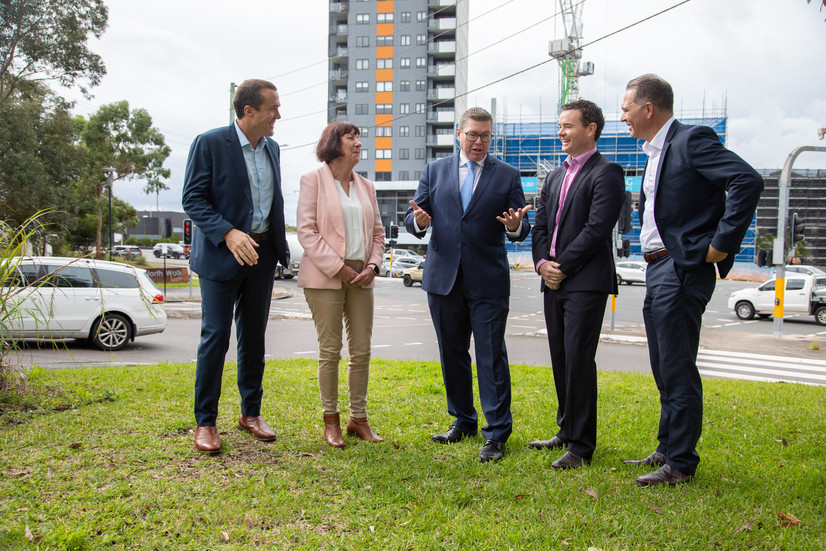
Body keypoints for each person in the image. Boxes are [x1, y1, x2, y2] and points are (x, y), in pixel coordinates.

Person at [619, 74, 763, 486]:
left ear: (648, 108)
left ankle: (680, 464)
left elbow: (747, 180)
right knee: (663, 365)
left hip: (681, 268)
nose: (623, 117)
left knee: (678, 366)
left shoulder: (691, 140)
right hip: (657, 268)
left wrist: (720, 244)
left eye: (626, 109)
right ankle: (666, 447)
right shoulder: (654, 152)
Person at [404, 107, 532, 463]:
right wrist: (418, 221)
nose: (479, 142)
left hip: (487, 280)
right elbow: (414, 215)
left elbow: (520, 225)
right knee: (452, 354)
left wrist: (513, 226)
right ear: (458, 133)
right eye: (473, 134)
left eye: (486, 136)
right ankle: (463, 420)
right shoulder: (435, 170)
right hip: (443, 278)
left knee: (491, 357)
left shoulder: (506, 175)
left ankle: (497, 433)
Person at [182, 79, 289, 454]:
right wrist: (228, 233)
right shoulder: (210, 143)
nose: (278, 115)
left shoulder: (273, 148)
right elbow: (192, 199)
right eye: (272, 108)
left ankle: (250, 414)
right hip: (220, 255)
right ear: (248, 111)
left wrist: (278, 247)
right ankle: (205, 422)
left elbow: (271, 202)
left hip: (261, 255)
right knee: (216, 336)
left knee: (255, 336)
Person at [529, 99, 625, 469]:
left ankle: (581, 446)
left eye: (568, 126)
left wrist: (562, 266)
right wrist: (541, 265)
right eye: (560, 126)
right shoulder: (554, 176)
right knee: (560, 357)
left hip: (585, 281)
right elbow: (540, 226)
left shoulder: (607, 172)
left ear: (591, 129)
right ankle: (566, 429)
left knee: (579, 360)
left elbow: (597, 229)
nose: (561, 132)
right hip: (551, 280)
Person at [296, 121, 385, 448]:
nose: (358, 143)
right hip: (325, 278)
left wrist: (373, 266)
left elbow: (377, 234)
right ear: (335, 143)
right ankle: (330, 420)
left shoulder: (366, 186)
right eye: (351, 137)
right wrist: (340, 269)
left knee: (362, 349)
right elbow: (307, 232)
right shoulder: (312, 180)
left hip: (363, 277)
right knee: (330, 351)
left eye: (359, 137)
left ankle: (357, 419)